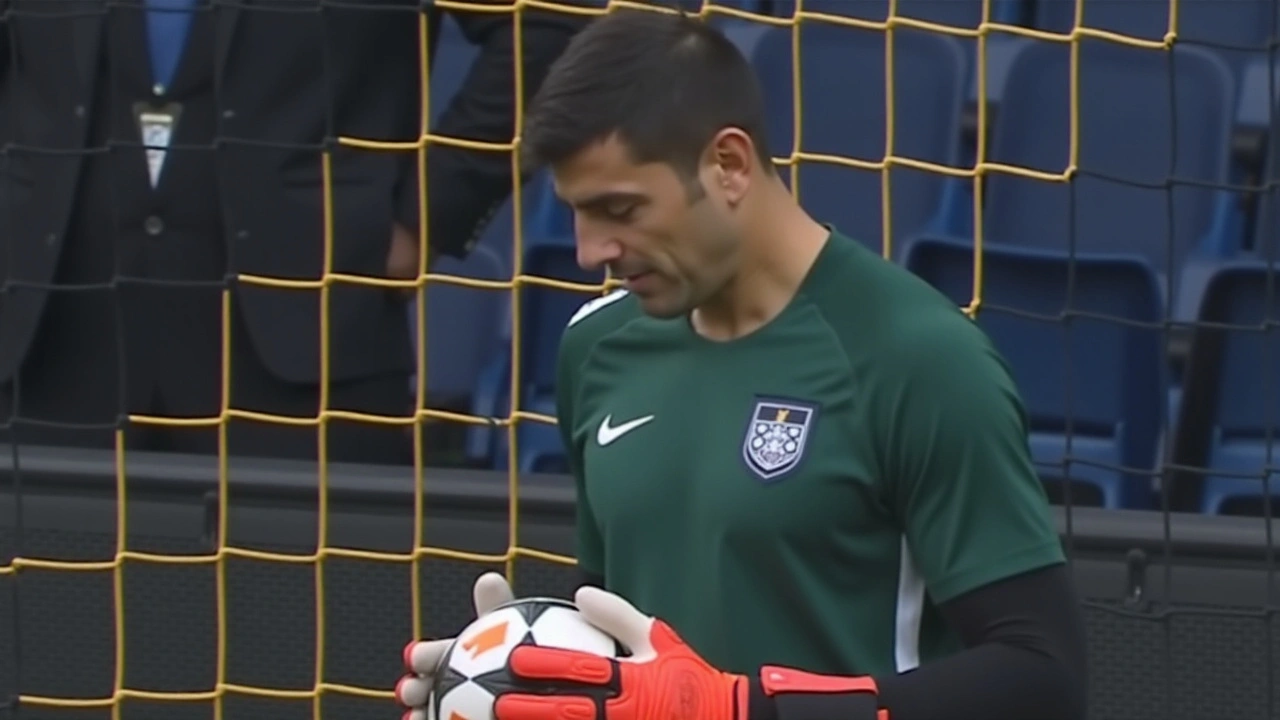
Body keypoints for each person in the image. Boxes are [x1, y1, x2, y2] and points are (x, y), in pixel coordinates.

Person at [396, 8, 1088, 720]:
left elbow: (1043, 678)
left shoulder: (921, 359)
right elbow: (632, 659)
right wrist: (510, 678)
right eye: (575, 211)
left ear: (727, 165)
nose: (590, 251)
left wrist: (738, 709)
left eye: (620, 208)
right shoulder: (595, 348)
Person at [0, 0, 582, 464]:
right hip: (45, 341)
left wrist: (429, 209)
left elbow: (551, 21)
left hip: (312, 338)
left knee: (305, 609)